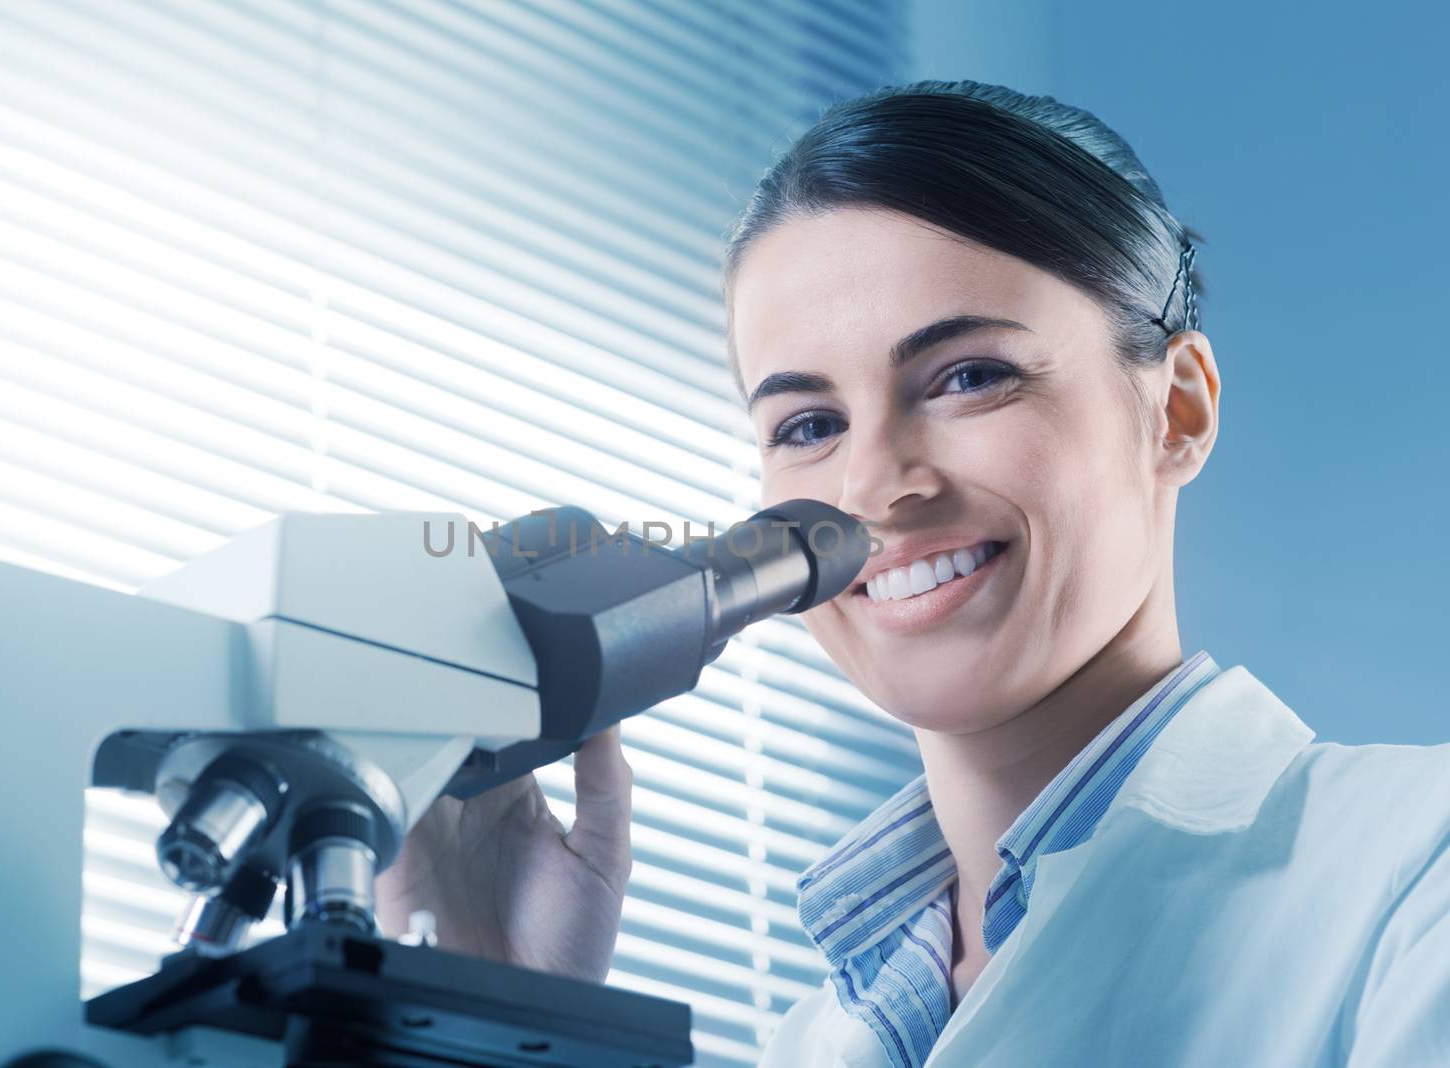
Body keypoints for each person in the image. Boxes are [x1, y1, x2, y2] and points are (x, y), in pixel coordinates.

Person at [375, 80, 1450, 1067]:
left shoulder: (1416, 873)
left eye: (968, 377)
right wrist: (486, 1014)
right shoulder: (813, 1041)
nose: (875, 485)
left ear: (1176, 408)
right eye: (808, 423)